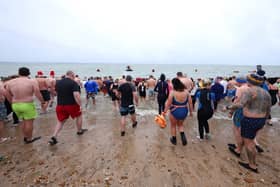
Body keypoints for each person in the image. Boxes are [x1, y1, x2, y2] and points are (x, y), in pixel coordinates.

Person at [226, 74, 271, 173]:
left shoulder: (249, 91)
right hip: (261, 119)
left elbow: (241, 104)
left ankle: (252, 165)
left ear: (249, 81)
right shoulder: (265, 92)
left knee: (249, 143)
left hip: (250, 120)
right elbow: (268, 108)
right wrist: (265, 120)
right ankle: (239, 151)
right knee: (249, 140)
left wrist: (228, 107)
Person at [5, 67, 45, 144]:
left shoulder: (10, 82)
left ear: (19, 73)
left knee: (23, 122)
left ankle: (25, 137)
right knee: (29, 122)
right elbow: (37, 93)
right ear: (29, 73)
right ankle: (29, 138)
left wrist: (12, 102)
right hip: (27, 104)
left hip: (15, 105)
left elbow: (7, 94)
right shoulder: (32, 81)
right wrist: (42, 101)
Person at [48, 70, 87, 145]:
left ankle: (54, 136)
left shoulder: (58, 82)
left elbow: (54, 92)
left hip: (60, 105)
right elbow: (76, 95)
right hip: (71, 105)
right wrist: (80, 105)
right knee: (79, 116)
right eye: (74, 76)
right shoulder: (73, 83)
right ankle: (79, 131)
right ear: (72, 75)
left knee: (60, 121)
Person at [163, 78, 193, 146]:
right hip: (184, 110)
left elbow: (168, 104)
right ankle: (183, 137)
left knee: (173, 126)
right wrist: (191, 112)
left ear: (174, 85)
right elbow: (190, 103)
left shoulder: (173, 92)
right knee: (180, 125)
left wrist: (164, 112)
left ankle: (174, 140)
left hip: (175, 110)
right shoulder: (186, 92)